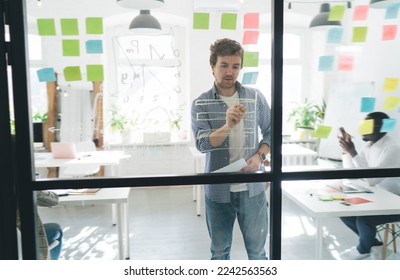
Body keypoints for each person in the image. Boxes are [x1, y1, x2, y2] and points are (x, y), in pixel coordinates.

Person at [191, 38, 271, 260]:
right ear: (212, 67)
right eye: (223, 65)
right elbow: (202, 144)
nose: (230, 72)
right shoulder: (201, 103)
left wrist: (259, 156)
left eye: (235, 66)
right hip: (218, 191)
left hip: (252, 188)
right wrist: (228, 125)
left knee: (258, 253)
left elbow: (271, 132)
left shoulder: (255, 97)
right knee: (219, 252)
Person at [338, 111, 400, 260]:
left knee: (364, 219)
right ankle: (375, 245)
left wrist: (353, 152)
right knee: (343, 210)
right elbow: (353, 172)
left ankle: (364, 248)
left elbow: (372, 179)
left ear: (379, 128)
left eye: (366, 126)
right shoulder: (370, 146)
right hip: (379, 197)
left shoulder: (393, 148)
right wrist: (346, 152)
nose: (362, 129)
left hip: (395, 200)